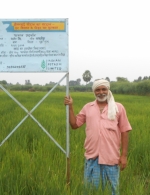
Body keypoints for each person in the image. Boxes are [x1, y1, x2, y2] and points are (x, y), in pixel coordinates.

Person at [64, 79, 132, 195]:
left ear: (108, 90)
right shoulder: (88, 107)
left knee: (112, 191)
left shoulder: (118, 108)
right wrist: (70, 107)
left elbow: (125, 130)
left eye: (104, 89)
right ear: (94, 92)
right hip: (92, 157)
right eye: (98, 90)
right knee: (90, 191)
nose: (101, 92)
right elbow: (75, 124)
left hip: (111, 158)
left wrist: (124, 155)